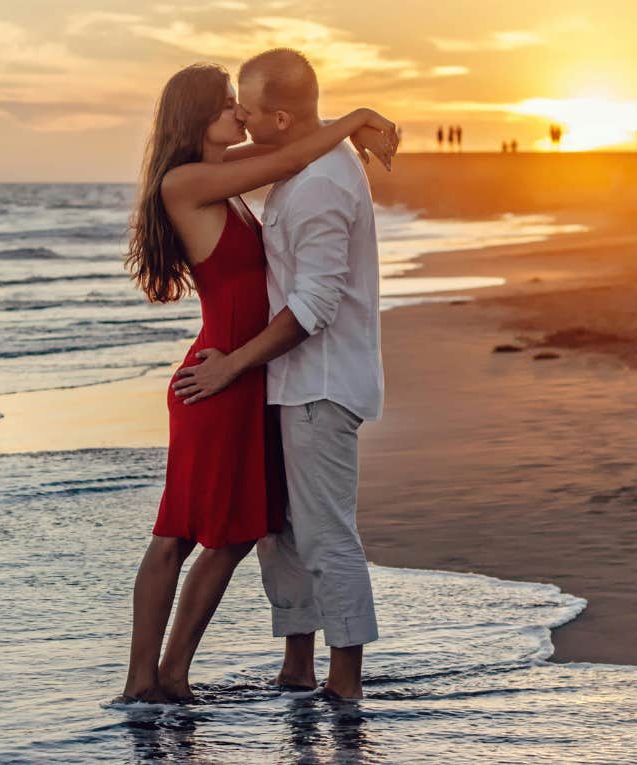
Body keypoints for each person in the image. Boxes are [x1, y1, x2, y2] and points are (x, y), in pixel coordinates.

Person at [119, 61, 398, 704]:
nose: (237, 116)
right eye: (226, 106)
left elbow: (287, 145)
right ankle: (147, 682)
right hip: (220, 377)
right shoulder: (191, 181)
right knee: (184, 532)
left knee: (240, 531)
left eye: (240, 106)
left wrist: (339, 125)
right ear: (198, 120)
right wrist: (354, 119)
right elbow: (286, 150)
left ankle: (170, 678)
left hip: (246, 374)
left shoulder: (223, 177)